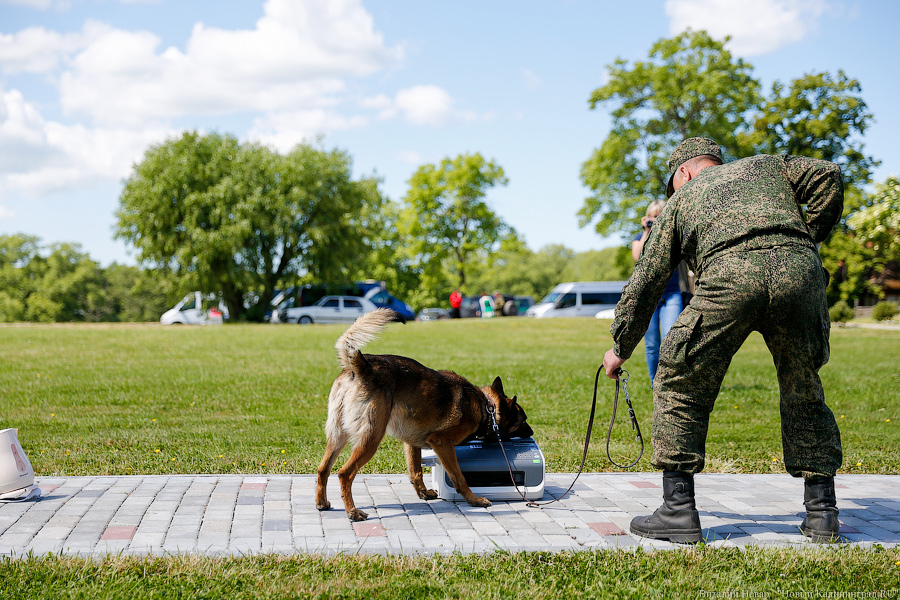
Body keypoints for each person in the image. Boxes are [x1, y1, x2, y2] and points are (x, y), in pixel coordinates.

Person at [602, 137, 844, 544]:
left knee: (681, 379)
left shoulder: (683, 198)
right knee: (804, 386)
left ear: (684, 172)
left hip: (730, 276)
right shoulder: (767, 166)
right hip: (799, 275)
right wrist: (806, 238)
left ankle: (678, 510)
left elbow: (647, 279)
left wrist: (619, 347)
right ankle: (822, 513)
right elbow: (828, 174)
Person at [632, 199, 684, 386]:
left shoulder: (674, 236)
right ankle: (656, 383)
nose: (656, 220)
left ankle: (669, 381)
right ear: (647, 218)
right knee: (652, 345)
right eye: (653, 217)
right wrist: (647, 231)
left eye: (660, 216)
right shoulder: (640, 236)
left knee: (671, 341)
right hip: (649, 297)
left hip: (671, 294)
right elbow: (638, 256)